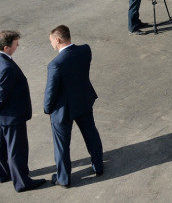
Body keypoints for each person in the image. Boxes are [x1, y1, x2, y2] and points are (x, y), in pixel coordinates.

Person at [44, 25, 104, 188]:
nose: (51, 45)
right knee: (91, 133)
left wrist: (47, 108)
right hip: (84, 101)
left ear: (58, 39)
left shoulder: (55, 64)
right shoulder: (85, 50)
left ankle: (64, 178)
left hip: (63, 110)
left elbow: (51, 91)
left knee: (62, 145)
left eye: (51, 41)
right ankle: (98, 166)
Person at [0, 31, 46, 193]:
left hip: (3, 117)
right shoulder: (6, 67)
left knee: (2, 147)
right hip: (11, 117)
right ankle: (22, 182)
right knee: (16, 150)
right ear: (6, 47)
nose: (17, 46)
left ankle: (4, 174)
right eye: (15, 43)